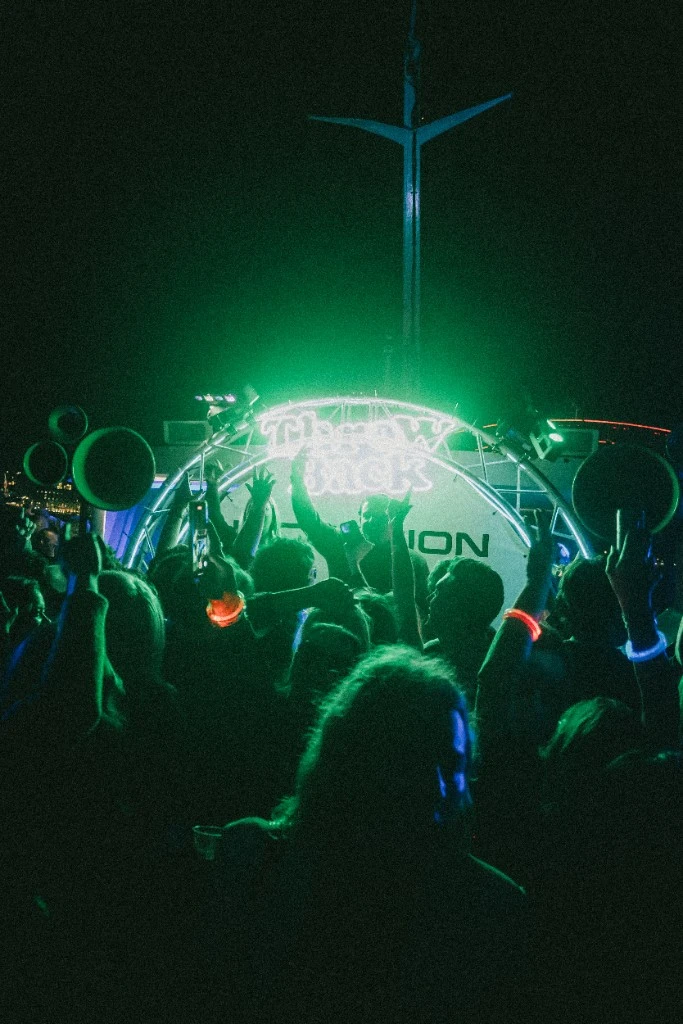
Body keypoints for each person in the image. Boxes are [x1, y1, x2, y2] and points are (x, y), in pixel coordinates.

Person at [207, 646, 528, 1024]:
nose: (439, 788)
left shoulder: (493, 907)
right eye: (415, 762)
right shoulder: (258, 859)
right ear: (356, 764)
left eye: (453, 765)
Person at [289, 448, 429, 613]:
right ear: (359, 517)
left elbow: (419, 607)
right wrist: (297, 481)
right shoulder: (342, 543)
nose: (371, 521)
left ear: (391, 518)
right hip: (342, 630)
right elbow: (310, 522)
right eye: (367, 515)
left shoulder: (410, 560)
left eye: (379, 517)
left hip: (388, 636)